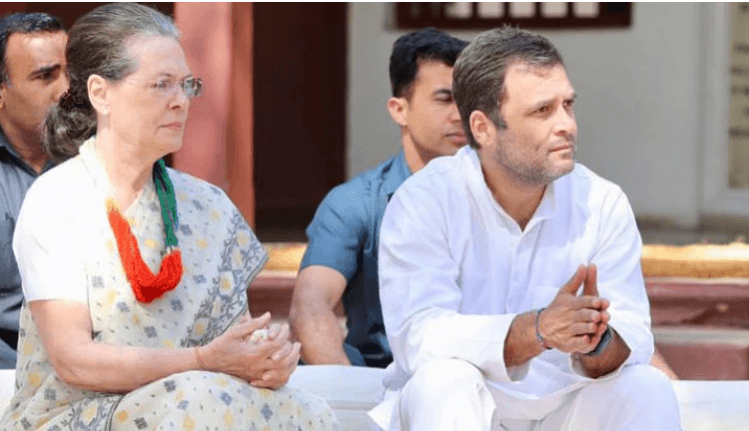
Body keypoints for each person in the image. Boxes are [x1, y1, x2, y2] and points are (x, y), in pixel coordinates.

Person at [2, 4, 338, 430]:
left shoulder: (209, 205)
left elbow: (231, 342)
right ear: (100, 93)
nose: (180, 101)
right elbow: (74, 362)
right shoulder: (58, 200)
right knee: (193, 402)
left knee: (311, 411)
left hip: (200, 398)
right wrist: (201, 362)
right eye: (161, 84)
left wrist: (261, 360)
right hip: (75, 413)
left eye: (186, 85)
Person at [369, 27, 682, 430]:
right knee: (444, 381)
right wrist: (537, 330)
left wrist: (596, 339)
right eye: (542, 111)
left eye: (568, 105)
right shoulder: (424, 201)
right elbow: (420, 338)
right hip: (465, 404)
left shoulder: (601, 201)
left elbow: (633, 335)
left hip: (565, 407)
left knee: (645, 387)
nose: (566, 124)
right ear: (482, 127)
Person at [289, 28, 468, 367]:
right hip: (380, 384)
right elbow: (310, 309)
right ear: (400, 110)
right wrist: (349, 398)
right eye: (444, 99)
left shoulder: (504, 196)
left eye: (469, 100)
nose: (460, 114)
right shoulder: (355, 203)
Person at [0, 11, 67, 370]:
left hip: (98, 370)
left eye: (69, 73)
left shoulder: (102, 163)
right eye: (46, 76)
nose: (66, 89)